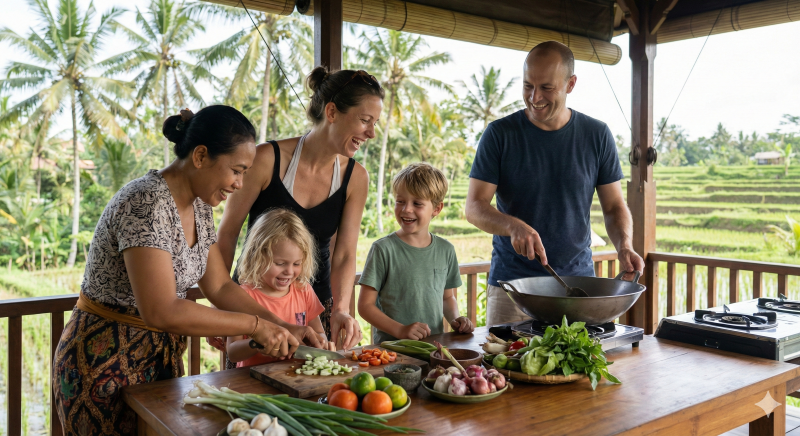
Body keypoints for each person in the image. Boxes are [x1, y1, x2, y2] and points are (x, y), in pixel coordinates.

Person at [51, 106, 322, 436]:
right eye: (236, 170)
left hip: (156, 360)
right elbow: (161, 309)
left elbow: (220, 286)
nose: (239, 184)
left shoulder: (200, 207)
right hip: (103, 363)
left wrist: (279, 325)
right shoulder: (145, 202)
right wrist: (254, 326)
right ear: (201, 156)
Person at [465, 41, 644, 326]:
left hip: (579, 288)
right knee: (504, 369)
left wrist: (624, 245)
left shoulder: (597, 135)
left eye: (547, 87)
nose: (534, 97)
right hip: (514, 289)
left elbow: (613, 206)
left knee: (584, 370)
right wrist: (513, 226)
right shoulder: (499, 134)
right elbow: (474, 207)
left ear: (570, 84)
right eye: (527, 86)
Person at [216, 67, 384, 350]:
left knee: (313, 387)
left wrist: (342, 309)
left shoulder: (356, 177)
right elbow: (228, 233)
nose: (371, 133)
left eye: (375, 123)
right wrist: (221, 304)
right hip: (253, 302)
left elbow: (343, 254)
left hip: (313, 307)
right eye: (365, 120)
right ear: (331, 113)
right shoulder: (267, 159)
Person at [358, 163, 474, 344]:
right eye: (400, 201)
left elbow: (447, 297)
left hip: (434, 348)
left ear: (436, 209)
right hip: (392, 352)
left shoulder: (446, 250)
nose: (406, 209)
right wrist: (401, 330)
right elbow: (365, 306)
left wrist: (455, 320)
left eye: (417, 203)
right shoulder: (383, 249)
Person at [227, 208, 333, 368]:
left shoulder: (303, 290)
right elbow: (233, 352)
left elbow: (318, 333)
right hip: (253, 381)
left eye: (297, 264)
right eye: (280, 264)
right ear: (258, 256)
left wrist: (322, 344)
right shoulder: (243, 297)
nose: (289, 272)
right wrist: (258, 343)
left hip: (295, 378)